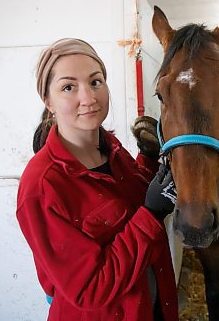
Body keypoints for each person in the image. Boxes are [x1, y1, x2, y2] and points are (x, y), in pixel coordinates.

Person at [16, 38, 179, 321]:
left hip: (154, 306)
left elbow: (127, 204)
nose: (89, 98)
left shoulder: (109, 146)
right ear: (48, 101)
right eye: (69, 87)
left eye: (95, 82)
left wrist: (149, 161)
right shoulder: (42, 186)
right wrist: (152, 214)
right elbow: (91, 289)